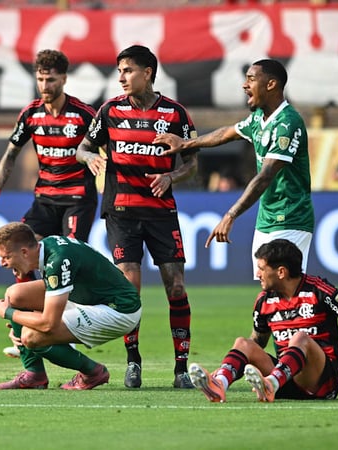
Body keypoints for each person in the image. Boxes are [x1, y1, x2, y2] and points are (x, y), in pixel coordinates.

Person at [77, 45, 199, 389]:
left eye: (128, 70)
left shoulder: (176, 113)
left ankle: (181, 368)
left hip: (161, 213)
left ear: (148, 72)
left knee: (175, 286)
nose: (121, 77)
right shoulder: (110, 110)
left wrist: (171, 176)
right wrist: (90, 160)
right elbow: (82, 147)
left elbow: (192, 162)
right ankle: (133, 363)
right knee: (130, 287)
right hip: (121, 211)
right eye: (119, 71)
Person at [0, 49, 98, 362]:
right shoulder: (31, 114)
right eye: (41, 79)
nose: (45, 85)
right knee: (20, 252)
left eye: (51, 79)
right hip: (44, 199)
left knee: (67, 261)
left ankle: (64, 330)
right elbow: (11, 155)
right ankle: (22, 333)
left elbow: (106, 151)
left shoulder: (84, 115)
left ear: (64, 79)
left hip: (78, 199)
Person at [153, 59, 314, 278]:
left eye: (251, 79)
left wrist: (231, 215)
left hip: (291, 217)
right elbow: (226, 133)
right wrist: (186, 143)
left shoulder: (287, 123)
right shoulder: (259, 118)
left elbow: (265, 176)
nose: (244, 85)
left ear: (271, 84)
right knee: (268, 286)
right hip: (266, 217)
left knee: (286, 289)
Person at [188, 238, 338, 403]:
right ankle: (219, 385)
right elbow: (256, 343)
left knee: (300, 338)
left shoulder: (318, 290)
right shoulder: (264, 301)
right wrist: (230, 367)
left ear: (281, 272)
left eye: (262, 268)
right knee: (242, 343)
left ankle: (270, 384)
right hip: (286, 379)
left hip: (321, 382)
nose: (257, 275)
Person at [0, 222, 142, 390]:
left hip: (118, 310)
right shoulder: (48, 246)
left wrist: (11, 314)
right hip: (87, 297)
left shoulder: (57, 261)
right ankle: (34, 375)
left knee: (31, 337)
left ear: (24, 252)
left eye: (6, 257)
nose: (2, 263)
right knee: (15, 295)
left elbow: (48, 324)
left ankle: (93, 372)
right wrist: (20, 320)